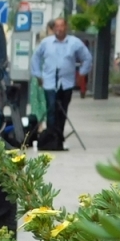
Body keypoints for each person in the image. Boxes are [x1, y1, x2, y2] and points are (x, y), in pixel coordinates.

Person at [31, 17, 92, 150]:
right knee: (51, 108)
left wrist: (82, 73)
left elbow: (87, 58)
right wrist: (37, 75)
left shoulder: (74, 43)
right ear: (53, 29)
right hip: (49, 81)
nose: (59, 29)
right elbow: (35, 57)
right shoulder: (46, 43)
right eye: (56, 26)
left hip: (67, 82)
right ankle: (51, 137)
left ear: (66, 27)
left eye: (61, 26)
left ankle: (59, 137)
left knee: (62, 111)